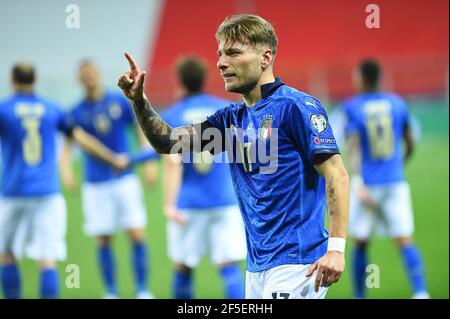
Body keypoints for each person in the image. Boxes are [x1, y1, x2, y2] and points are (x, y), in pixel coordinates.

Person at [118, 14, 349, 299]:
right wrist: (139, 102)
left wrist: (336, 250)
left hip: (298, 264)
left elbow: (336, 174)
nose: (220, 62)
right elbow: (167, 141)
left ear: (265, 57)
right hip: (257, 268)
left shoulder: (297, 107)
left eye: (233, 53)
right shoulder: (230, 121)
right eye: (219, 54)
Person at [0, 63, 127, 299]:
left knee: (7, 254)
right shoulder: (52, 109)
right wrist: (112, 159)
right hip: (47, 192)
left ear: (13, 81)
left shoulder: (4, 109)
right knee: (47, 258)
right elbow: (82, 138)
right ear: (34, 80)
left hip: (12, 192)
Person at [59, 60, 156, 299]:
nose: (89, 77)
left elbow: (139, 129)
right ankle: (111, 291)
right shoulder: (76, 111)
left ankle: (142, 290)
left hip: (125, 178)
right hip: (95, 183)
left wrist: (149, 161)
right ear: (80, 79)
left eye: (91, 72)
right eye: (84, 74)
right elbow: (68, 146)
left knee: (136, 233)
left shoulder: (117, 101)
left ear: (98, 74)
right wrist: (67, 171)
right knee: (102, 238)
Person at [342, 59, 429, 299]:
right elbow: (410, 140)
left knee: (360, 242)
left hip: (366, 186)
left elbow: (353, 145)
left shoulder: (352, 106)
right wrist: (399, 165)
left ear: (361, 78)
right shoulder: (397, 103)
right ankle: (421, 293)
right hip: (394, 182)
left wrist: (357, 180)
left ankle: (360, 296)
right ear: (379, 78)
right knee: (404, 240)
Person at [160, 55, 246, 299]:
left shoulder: (173, 115)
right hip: (225, 200)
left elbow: (173, 163)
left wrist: (168, 204)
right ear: (205, 79)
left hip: (189, 203)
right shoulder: (225, 109)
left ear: (180, 81)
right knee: (228, 266)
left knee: (183, 266)